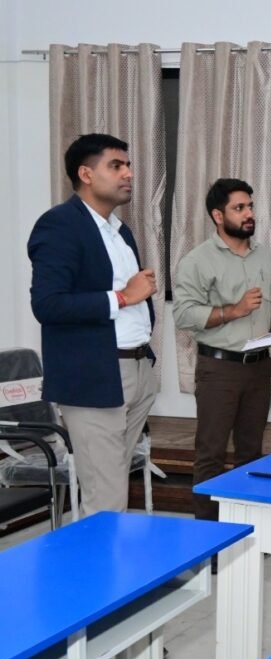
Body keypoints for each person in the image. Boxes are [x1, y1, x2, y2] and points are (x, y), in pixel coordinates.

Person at [28, 133, 158, 517]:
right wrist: (123, 297)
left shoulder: (120, 230)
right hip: (95, 375)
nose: (128, 173)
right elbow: (48, 304)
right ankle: (97, 557)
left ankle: (99, 553)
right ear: (86, 174)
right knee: (106, 498)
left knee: (110, 486)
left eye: (128, 165)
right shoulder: (59, 225)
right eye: (116, 166)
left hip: (136, 370)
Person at [173, 178, 271, 521]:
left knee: (251, 452)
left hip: (259, 367)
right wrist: (232, 311)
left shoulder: (266, 256)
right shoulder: (198, 260)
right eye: (239, 208)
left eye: (250, 206)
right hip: (219, 370)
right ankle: (208, 534)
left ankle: (247, 526)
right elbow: (183, 314)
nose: (249, 213)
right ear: (218, 216)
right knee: (211, 453)